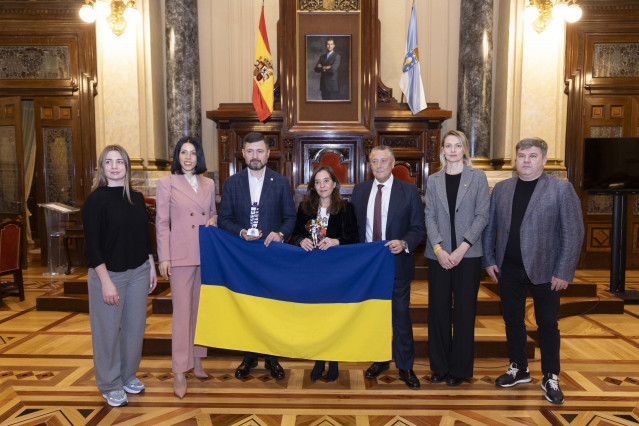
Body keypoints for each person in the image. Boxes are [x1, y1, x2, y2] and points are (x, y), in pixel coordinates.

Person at [482, 137, 584, 405]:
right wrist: (489, 258)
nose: (526, 160)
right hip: (508, 268)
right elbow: (489, 226)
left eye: (533, 156)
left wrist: (564, 270)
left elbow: (573, 233)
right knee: (512, 321)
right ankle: (519, 368)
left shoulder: (561, 189)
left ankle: (550, 376)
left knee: (547, 325)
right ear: (516, 159)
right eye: (522, 155)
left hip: (547, 270)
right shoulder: (502, 188)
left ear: (544, 160)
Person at [82, 145, 157, 407]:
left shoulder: (136, 198)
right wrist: (105, 281)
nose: (114, 166)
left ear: (127, 166)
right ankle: (110, 383)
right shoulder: (95, 200)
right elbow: (92, 246)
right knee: (107, 333)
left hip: (138, 272)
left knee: (134, 330)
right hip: (108, 273)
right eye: (108, 162)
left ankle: (127, 375)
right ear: (102, 168)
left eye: (119, 162)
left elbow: (143, 237)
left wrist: (151, 266)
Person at [217, 131, 297, 380]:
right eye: (250, 151)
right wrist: (240, 232)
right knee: (248, 307)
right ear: (242, 154)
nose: (255, 156)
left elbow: (291, 218)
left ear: (268, 153)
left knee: (270, 306)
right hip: (242, 257)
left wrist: (280, 235)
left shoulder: (281, 182)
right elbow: (223, 220)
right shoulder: (232, 183)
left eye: (259, 151)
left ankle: (272, 357)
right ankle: (249, 356)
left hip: (271, 255)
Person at [351, 145, 426, 390]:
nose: (380, 165)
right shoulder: (360, 192)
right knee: (374, 317)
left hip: (397, 265)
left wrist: (405, 242)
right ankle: (380, 359)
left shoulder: (408, 191)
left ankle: (405, 366)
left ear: (393, 164)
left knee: (400, 317)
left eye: (384, 161)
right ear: (369, 165)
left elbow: (418, 228)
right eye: (375, 161)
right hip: (368, 268)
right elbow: (354, 231)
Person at [424, 130, 490, 386]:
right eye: (448, 146)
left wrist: (462, 247)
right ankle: (439, 368)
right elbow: (429, 216)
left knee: (464, 312)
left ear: (464, 149)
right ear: (442, 150)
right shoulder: (434, 179)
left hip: (468, 255)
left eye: (457, 145)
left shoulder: (477, 177)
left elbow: (482, 216)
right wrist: (439, 249)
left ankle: (459, 370)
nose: (452, 150)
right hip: (438, 256)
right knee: (438, 313)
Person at [155, 136, 217, 399]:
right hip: (180, 255)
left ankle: (198, 359)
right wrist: (164, 257)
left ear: (199, 156)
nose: (188, 157)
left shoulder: (209, 183)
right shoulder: (166, 183)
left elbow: (213, 211)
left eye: (193, 152)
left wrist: (213, 219)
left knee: (200, 312)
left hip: (205, 253)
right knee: (181, 315)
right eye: (183, 152)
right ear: (177, 156)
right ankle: (180, 371)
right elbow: (161, 222)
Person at [291, 165, 359, 382]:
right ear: (313, 186)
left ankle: (334, 359)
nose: (322, 185)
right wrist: (301, 240)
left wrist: (336, 241)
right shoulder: (305, 208)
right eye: (318, 182)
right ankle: (319, 359)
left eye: (326, 181)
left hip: (336, 271)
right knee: (317, 316)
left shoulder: (346, 208)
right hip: (312, 271)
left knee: (333, 316)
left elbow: (354, 238)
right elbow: (296, 234)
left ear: (335, 184)